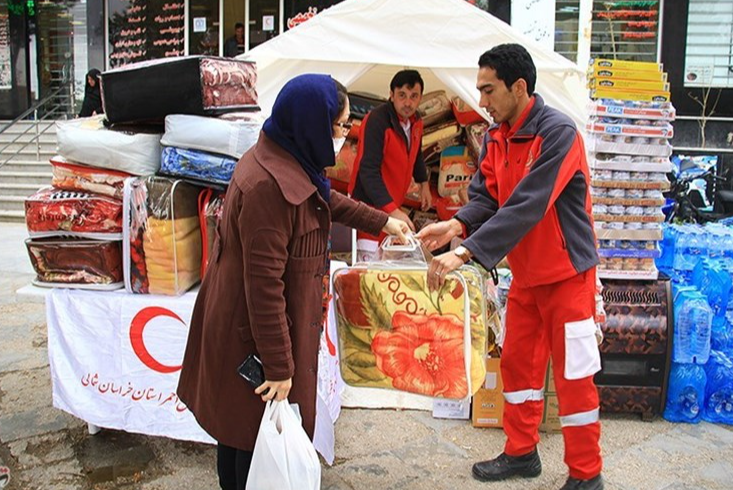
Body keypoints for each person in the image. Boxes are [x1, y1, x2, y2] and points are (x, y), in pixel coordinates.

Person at [177, 74, 409, 490]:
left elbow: (323, 199)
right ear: (312, 124)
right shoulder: (269, 185)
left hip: (249, 327)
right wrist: (281, 368)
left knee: (243, 432)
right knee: (250, 438)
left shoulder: (285, 155)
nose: (342, 135)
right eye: (339, 126)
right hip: (250, 335)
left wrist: (383, 220)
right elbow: (264, 288)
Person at [417, 44, 603, 490]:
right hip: (527, 276)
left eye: (488, 90)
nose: (481, 100)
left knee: (574, 378)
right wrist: (454, 225)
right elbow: (487, 198)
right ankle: (521, 453)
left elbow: (528, 204)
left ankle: (586, 473)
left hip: (569, 276)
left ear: (519, 87)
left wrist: (464, 252)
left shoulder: (558, 133)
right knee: (518, 367)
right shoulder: (496, 136)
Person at [348, 69, 432, 258]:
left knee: (387, 262)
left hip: (392, 203)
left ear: (420, 98)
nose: (408, 102)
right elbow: (368, 171)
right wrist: (393, 211)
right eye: (402, 95)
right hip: (369, 205)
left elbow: (416, 152)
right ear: (391, 95)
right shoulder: (377, 120)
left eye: (413, 96)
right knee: (369, 267)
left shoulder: (416, 121)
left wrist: (423, 183)